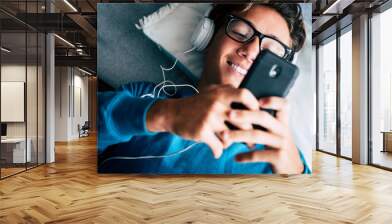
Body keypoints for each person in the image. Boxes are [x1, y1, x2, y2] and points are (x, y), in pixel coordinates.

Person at [98, 3, 311, 174]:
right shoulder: (145, 98)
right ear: (208, 37)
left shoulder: (283, 156)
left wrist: (297, 176)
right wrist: (166, 115)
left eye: (270, 52)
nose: (251, 51)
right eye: (240, 32)